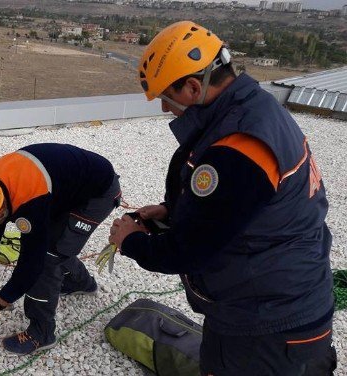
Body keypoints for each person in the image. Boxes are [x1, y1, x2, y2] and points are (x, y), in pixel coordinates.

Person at [108, 21, 337, 375]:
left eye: (166, 99)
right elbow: (241, 209)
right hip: (292, 303)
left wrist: (132, 241)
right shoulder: (255, 109)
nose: (166, 111)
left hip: (265, 326)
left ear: (193, 86)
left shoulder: (238, 149)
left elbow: (189, 250)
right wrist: (170, 211)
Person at [0, 143, 121, 355]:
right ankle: (81, 283)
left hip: (99, 193)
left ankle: (41, 333)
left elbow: (31, 265)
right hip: (66, 186)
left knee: (50, 257)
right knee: (57, 242)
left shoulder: (31, 203)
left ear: (1, 208)